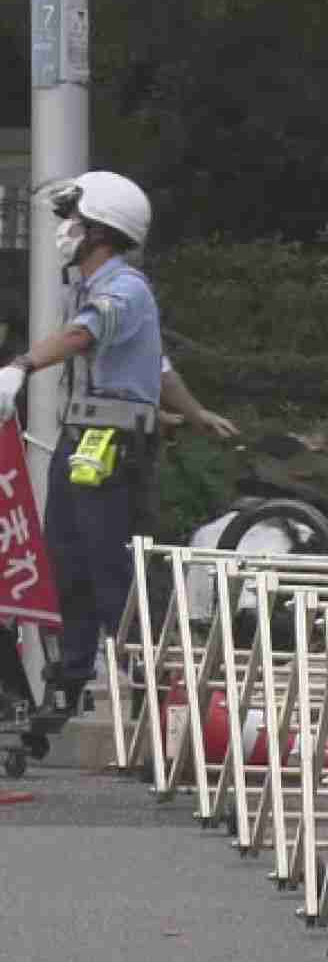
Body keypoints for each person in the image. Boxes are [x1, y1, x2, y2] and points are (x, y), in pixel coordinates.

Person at [0, 171, 163, 710]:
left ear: (100, 230)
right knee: (66, 559)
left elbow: (84, 336)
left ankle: (145, 696)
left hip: (111, 445)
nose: (65, 229)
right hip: (84, 440)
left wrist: (21, 364)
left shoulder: (125, 289)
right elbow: (161, 370)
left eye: (73, 219)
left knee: (108, 565)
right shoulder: (90, 287)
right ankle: (72, 674)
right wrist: (200, 414)